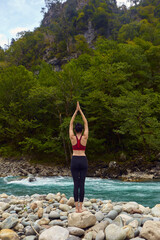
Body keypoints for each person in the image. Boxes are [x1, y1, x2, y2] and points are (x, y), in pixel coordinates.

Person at [69, 101, 88, 213]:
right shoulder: (85, 137)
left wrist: (75, 112)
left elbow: (70, 124)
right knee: (82, 184)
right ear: (82, 130)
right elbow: (86, 123)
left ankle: (76, 208)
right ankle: (81, 207)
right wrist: (81, 111)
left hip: (75, 159)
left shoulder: (72, 137)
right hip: (83, 160)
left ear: (75, 130)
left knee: (76, 184)